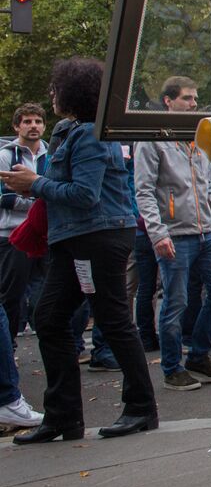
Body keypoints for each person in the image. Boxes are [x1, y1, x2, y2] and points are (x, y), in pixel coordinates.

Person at [5, 59, 157, 443]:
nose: (52, 95)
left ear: (72, 92)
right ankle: (62, 417)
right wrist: (35, 184)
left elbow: (85, 196)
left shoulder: (89, 135)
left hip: (98, 236)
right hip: (76, 238)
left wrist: (35, 183)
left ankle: (140, 408)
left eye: (56, 89)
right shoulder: (70, 132)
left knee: (112, 318)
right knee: (51, 318)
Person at [134, 77, 211, 392]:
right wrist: (158, 234)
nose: (193, 104)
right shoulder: (153, 138)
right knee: (176, 301)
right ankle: (172, 367)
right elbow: (143, 191)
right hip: (175, 234)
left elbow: (207, 183)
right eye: (187, 98)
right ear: (168, 101)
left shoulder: (198, 137)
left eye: (195, 98)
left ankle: (198, 355)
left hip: (205, 231)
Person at [2, 104, 48, 341]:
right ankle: (8, 348)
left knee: (48, 293)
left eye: (38, 121)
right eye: (28, 122)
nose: (33, 126)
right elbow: (4, 197)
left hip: (45, 233)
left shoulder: (51, 154)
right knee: (11, 295)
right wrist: (40, 195)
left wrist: (33, 191)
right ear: (16, 126)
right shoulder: (5, 156)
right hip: (13, 234)